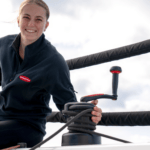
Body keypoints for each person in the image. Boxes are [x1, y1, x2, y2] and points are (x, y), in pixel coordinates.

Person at [0, 0, 102, 149]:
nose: (31, 24)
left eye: (38, 19)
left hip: (28, 127)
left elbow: (68, 105)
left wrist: (88, 113)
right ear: (18, 20)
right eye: (26, 17)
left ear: (46, 25)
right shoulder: (3, 45)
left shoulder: (53, 61)